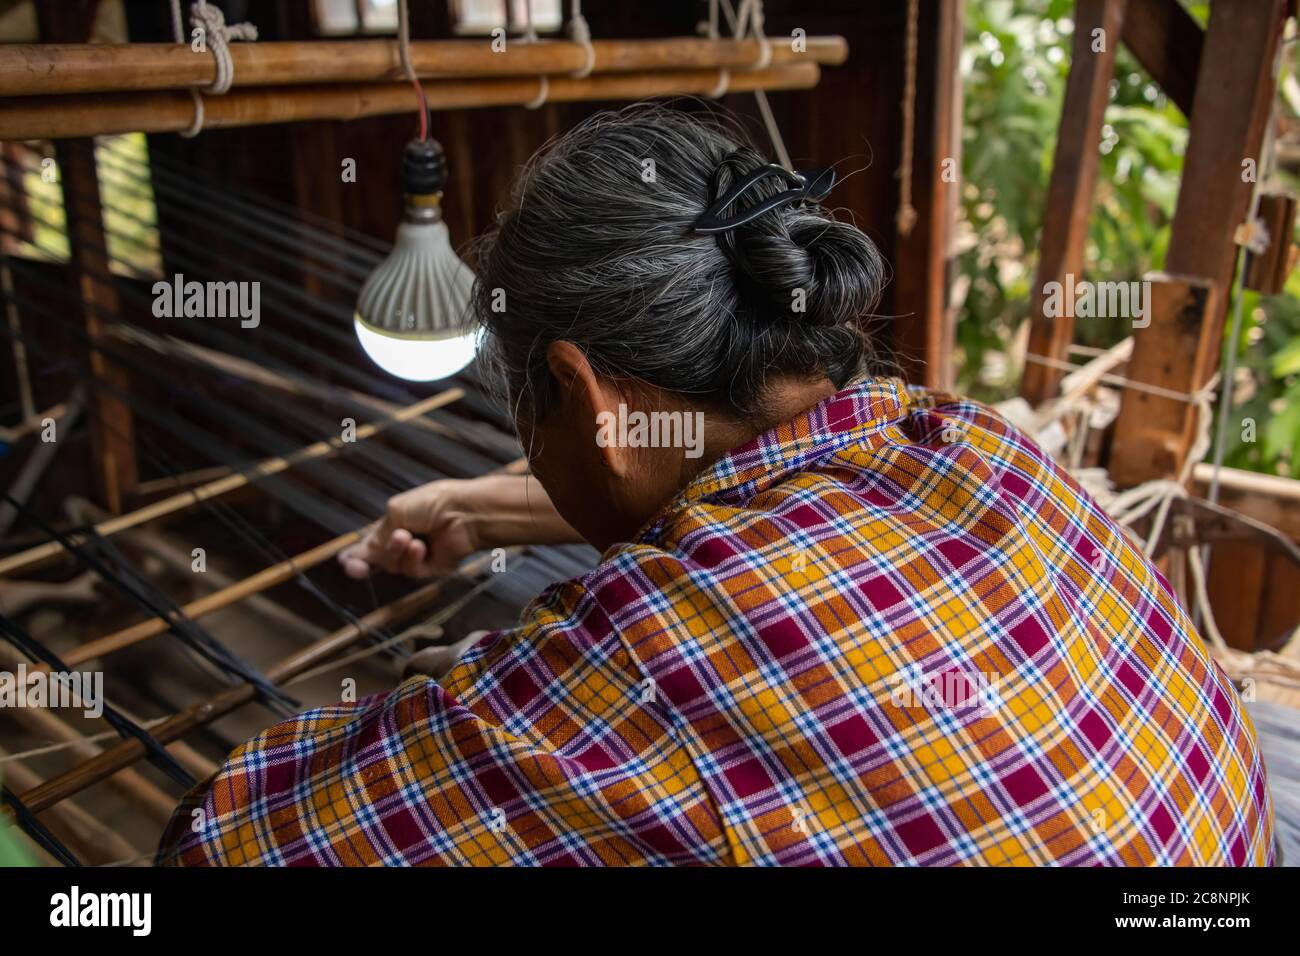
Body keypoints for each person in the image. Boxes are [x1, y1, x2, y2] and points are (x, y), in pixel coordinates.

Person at [158, 106, 1273, 866]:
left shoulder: (648, 653)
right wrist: (479, 504)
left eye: (523, 417)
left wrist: (479, 708)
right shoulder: (970, 441)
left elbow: (225, 844)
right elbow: (765, 509)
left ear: (582, 394)